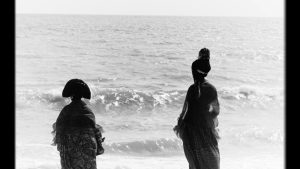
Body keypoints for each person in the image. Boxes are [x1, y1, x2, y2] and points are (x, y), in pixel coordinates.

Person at [174, 50, 220, 169]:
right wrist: (208, 118)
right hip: (206, 132)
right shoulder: (211, 89)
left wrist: (180, 125)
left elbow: (186, 112)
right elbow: (216, 111)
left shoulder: (193, 89)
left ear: (193, 72)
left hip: (190, 133)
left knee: (194, 165)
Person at [52, 79, 104, 169]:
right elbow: (95, 131)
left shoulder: (66, 110)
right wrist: (99, 147)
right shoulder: (88, 111)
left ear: (70, 95)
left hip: (69, 152)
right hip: (87, 150)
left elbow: (59, 131)